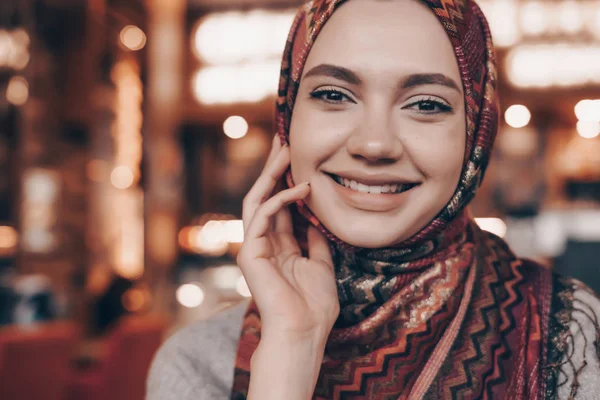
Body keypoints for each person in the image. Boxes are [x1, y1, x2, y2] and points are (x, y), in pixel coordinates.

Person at [147, 0, 600, 398]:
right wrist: (290, 350)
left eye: (426, 104)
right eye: (333, 95)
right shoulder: (197, 366)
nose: (375, 144)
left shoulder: (566, 335)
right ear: (288, 120)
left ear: (475, 132)